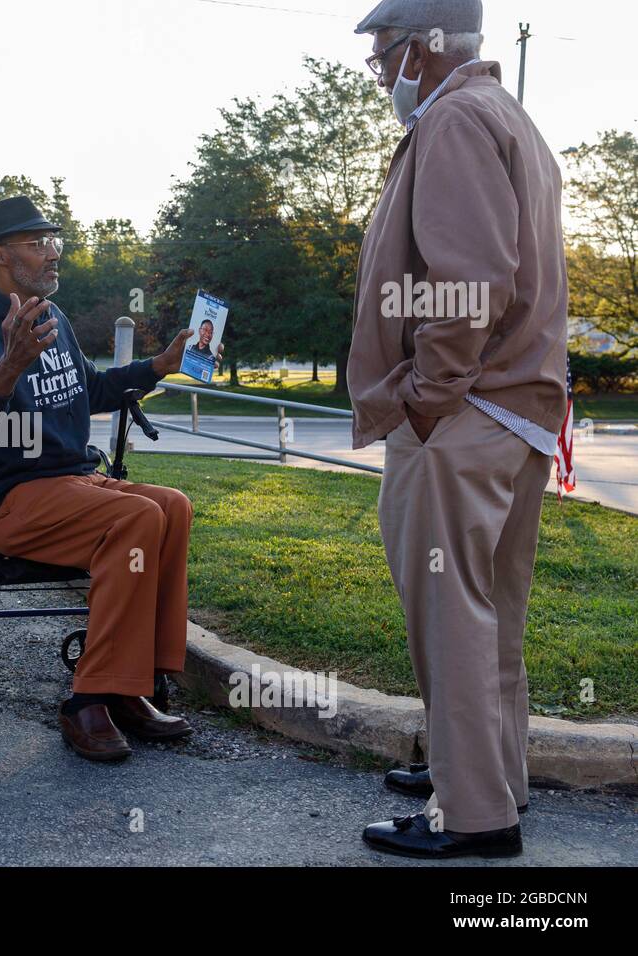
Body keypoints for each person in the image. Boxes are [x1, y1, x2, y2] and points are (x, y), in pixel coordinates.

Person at [349, 0, 569, 858]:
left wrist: (427, 396)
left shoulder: (452, 123)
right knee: (490, 613)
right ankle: (486, 774)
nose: (380, 74)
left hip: (464, 414)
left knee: (451, 616)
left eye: (383, 56)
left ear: (424, 51)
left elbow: (469, 282)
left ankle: (472, 815)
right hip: (515, 410)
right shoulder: (510, 117)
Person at [0, 196, 195, 762]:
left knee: (172, 505)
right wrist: (7, 368)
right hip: (13, 497)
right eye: (39, 243)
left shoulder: (51, 318)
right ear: (1, 255)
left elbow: (93, 390)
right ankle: (87, 699)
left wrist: (159, 366)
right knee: (138, 514)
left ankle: (133, 685)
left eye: (55, 241)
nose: (54, 253)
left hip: (73, 483)